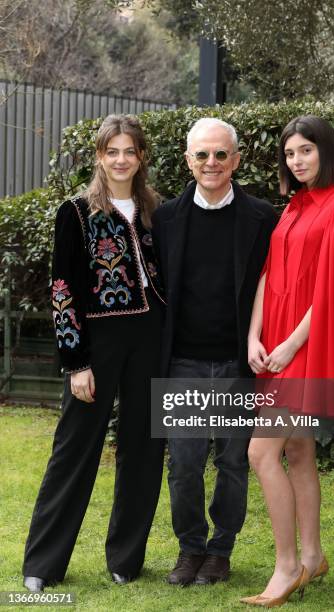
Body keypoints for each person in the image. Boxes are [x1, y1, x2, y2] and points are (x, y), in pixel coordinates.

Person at [22, 114, 166, 592]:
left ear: (141, 156)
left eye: (129, 151)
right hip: (97, 342)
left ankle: (126, 558)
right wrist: (76, 361)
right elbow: (62, 290)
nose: (121, 160)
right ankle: (43, 565)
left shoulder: (155, 210)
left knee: (144, 449)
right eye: (112, 152)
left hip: (151, 338)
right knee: (74, 449)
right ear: (100, 157)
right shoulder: (77, 212)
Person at [241, 115, 334, 607]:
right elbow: (269, 275)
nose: (297, 160)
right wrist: (255, 334)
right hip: (276, 344)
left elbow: (333, 288)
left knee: (260, 453)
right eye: (290, 154)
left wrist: (292, 343)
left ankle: (287, 567)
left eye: (306, 151)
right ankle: (312, 556)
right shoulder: (292, 206)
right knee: (297, 451)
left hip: (306, 345)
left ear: (325, 152)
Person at [152, 117, 278, 586]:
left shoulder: (262, 217)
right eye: (202, 154)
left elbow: (274, 286)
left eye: (221, 154)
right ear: (188, 160)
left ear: (236, 160)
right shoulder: (164, 218)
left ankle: (220, 551)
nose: (211, 163)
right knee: (183, 464)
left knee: (231, 462)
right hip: (181, 362)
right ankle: (190, 549)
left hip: (235, 362)